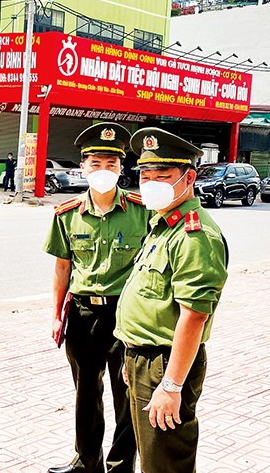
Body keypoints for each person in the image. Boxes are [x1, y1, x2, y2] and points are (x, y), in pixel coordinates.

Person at [114, 128, 228, 473]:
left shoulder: (194, 235)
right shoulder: (163, 224)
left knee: (165, 463)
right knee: (152, 457)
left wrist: (171, 385)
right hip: (144, 360)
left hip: (165, 364)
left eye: (161, 176)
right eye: (145, 176)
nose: (149, 183)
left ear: (189, 177)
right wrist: (132, 358)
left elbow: (194, 316)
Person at [43, 123, 148, 473]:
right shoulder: (66, 213)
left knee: (125, 395)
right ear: (83, 168)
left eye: (111, 164)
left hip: (126, 315)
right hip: (84, 314)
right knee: (86, 392)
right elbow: (62, 268)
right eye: (96, 164)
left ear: (122, 168)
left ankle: (120, 466)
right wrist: (57, 314)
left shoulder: (142, 211)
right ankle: (87, 461)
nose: (104, 171)